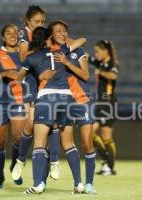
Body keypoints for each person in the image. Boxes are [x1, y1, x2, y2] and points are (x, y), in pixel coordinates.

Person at [17, 26, 86, 194]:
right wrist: (65, 40)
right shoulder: (61, 51)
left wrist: (39, 76)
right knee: (69, 143)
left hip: (47, 98)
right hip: (67, 98)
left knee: (39, 144)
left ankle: (38, 185)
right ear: (49, 38)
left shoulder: (31, 58)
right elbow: (82, 40)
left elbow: (19, 77)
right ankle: (78, 184)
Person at [12, 5, 62, 182]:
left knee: (52, 123)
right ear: (27, 21)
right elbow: (24, 57)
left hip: (49, 83)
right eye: (36, 21)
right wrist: (43, 48)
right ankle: (20, 160)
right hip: (32, 82)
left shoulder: (46, 34)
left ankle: (54, 161)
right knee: (32, 123)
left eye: (42, 21)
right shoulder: (24, 34)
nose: (40, 24)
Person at [53, 20, 97, 194]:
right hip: (63, 102)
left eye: (65, 31)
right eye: (58, 31)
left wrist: (67, 62)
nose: (62, 33)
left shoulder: (78, 52)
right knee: (67, 143)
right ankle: (78, 183)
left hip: (81, 100)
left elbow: (85, 76)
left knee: (87, 144)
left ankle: (89, 183)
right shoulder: (51, 53)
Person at [0, 24, 26, 189]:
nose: (12, 35)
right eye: (8, 33)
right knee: (1, 141)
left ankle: (15, 166)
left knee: (18, 138)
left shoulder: (24, 54)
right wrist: (4, 74)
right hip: (0, 101)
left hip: (18, 100)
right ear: (3, 37)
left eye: (15, 33)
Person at [89, 40, 119, 176]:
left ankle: (109, 165)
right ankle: (107, 164)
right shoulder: (100, 63)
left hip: (107, 102)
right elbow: (87, 57)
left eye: (98, 51)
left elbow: (113, 75)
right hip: (102, 103)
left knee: (105, 136)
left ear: (105, 51)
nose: (96, 54)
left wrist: (100, 72)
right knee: (92, 133)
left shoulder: (111, 63)